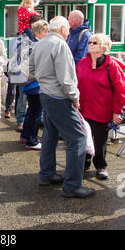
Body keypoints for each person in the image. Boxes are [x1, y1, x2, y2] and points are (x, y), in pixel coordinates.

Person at [30, 16, 95, 199]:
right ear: (63, 29)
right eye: (67, 30)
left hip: (45, 93)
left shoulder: (41, 43)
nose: (68, 33)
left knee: (50, 134)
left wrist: (44, 81)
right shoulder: (60, 45)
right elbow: (66, 79)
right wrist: (75, 97)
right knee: (78, 138)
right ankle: (73, 186)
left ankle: (46, 174)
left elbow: (31, 69)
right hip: (58, 96)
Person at [76, 33, 125, 180]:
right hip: (83, 109)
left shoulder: (112, 66)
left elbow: (120, 90)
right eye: (90, 42)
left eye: (95, 42)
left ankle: (100, 166)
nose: (91, 44)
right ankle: (83, 164)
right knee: (83, 137)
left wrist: (117, 112)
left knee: (99, 140)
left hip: (101, 110)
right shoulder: (82, 63)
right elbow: (75, 84)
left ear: (104, 47)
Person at [19, 20, 49, 150]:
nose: (47, 34)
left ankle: (25, 136)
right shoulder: (38, 45)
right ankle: (31, 140)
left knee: (31, 111)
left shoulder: (28, 44)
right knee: (36, 112)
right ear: (37, 32)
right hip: (35, 83)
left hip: (27, 82)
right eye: (45, 32)